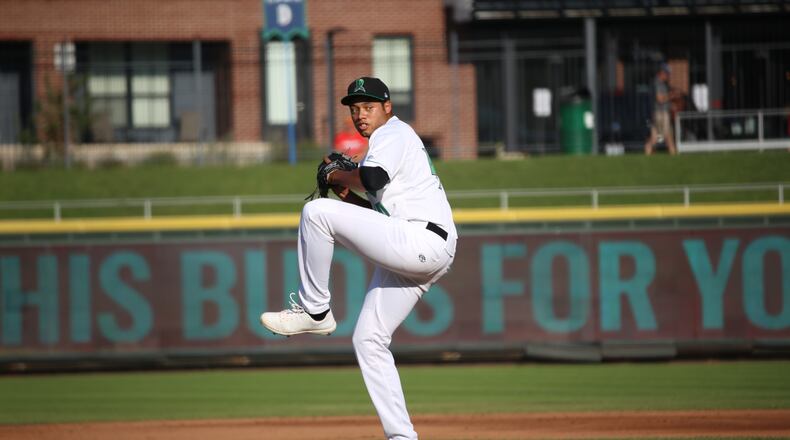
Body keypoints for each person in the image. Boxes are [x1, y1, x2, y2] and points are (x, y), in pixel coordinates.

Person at [260, 77, 457, 440]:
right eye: (355, 109)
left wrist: (337, 172)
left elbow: (372, 175)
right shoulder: (387, 146)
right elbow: (376, 209)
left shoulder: (392, 133)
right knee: (368, 339)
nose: (360, 115)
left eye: (368, 107)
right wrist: (345, 190)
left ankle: (315, 310)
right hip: (421, 243)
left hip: (421, 238)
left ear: (387, 108)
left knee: (317, 213)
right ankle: (402, 436)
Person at [644, 63, 678, 155]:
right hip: (661, 114)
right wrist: (671, 95)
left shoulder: (662, 84)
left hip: (660, 113)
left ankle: (648, 150)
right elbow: (660, 99)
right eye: (667, 73)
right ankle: (674, 156)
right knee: (668, 136)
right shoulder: (658, 83)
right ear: (662, 72)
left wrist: (670, 105)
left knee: (655, 138)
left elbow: (663, 100)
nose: (668, 76)